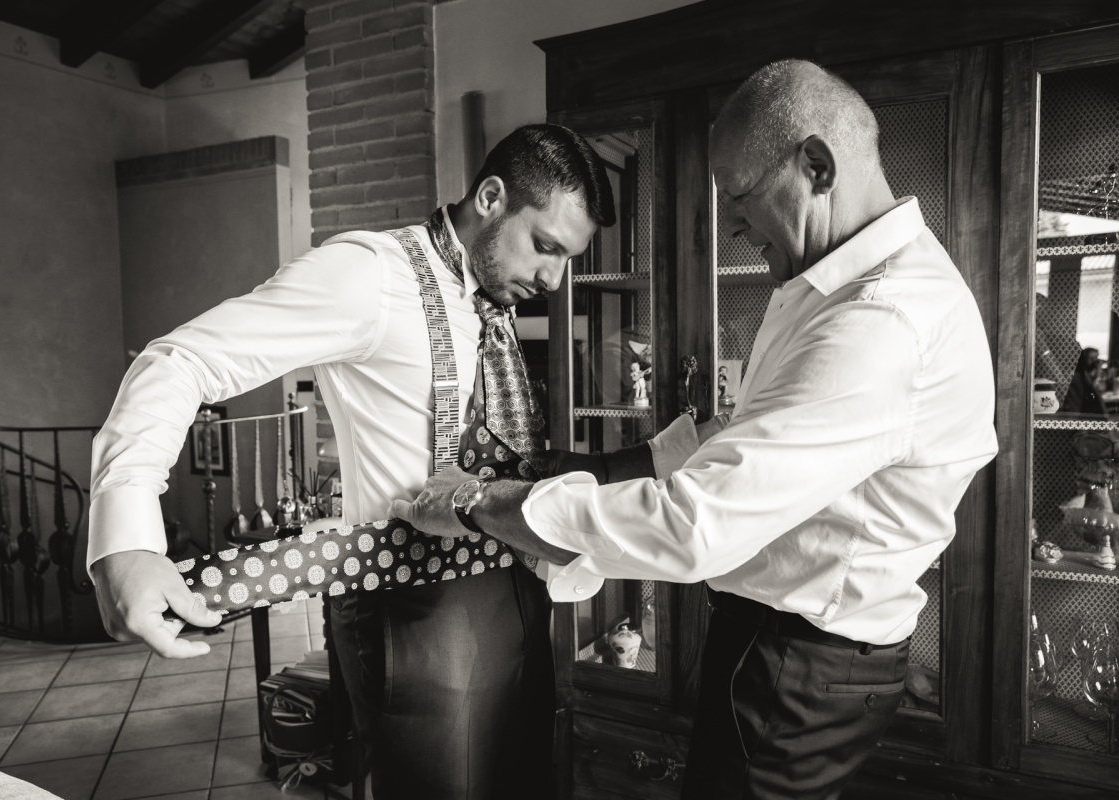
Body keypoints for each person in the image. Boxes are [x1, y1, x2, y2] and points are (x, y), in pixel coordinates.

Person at [394, 59, 999, 800]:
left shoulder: (880, 323)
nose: (735, 227)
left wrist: (481, 503)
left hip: (802, 663)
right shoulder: (827, 284)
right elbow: (741, 433)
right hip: (786, 646)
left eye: (740, 197)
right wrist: (604, 466)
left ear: (816, 165)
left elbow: (694, 523)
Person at [87, 123, 616, 799]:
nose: (553, 278)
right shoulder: (368, 274)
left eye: (567, 257)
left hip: (518, 598)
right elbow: (182, 360)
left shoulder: (491, 295)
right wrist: (127, 536)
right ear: (490, 197)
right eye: (545, 247)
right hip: (417, 615)